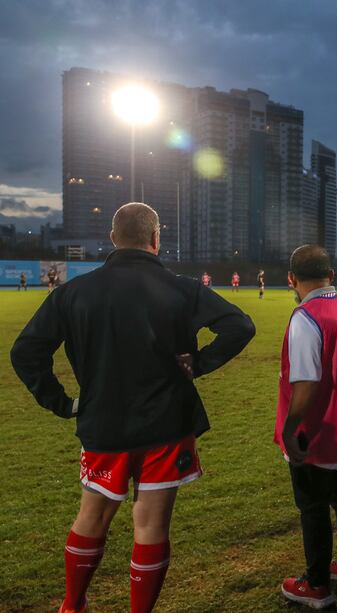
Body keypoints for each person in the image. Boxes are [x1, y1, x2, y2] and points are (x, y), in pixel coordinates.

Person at [10, 202, 255, 613]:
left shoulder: (73, 292)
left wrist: (60, 402)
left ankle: (72, 606)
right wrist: (200, 363)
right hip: (168, 425)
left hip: (104, 424)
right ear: (156, 239)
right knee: (152, 525)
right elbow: (240, 326)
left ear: (112, 239)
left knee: (92, 516)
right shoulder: (182, 287)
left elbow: (25, 352)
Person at [276, 245, 337, 609]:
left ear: (292, 279)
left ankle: (316, 585)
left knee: (313, 507)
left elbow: (306, 381)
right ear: (331, 274)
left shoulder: (305, 316)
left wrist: (289, 428)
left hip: (314, 433)